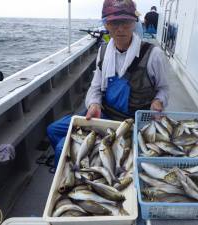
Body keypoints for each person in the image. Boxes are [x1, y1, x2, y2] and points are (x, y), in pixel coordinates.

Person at [47, 0, 169, 168]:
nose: (120, 28)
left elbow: (163, 89)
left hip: (132, 121)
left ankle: (74, 169)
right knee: (53, 130)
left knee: (62, 147)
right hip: (103, 115)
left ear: (135, 23)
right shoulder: (104, 51)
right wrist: (94, 103)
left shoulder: (153, 54)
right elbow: (96, 86)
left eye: (125, 22)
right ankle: (77, 165)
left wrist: (158, 101)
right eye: (113, 22)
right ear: (106, 24)